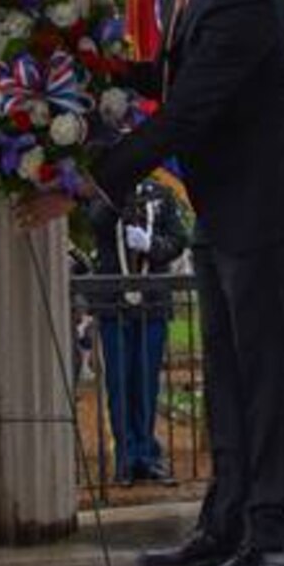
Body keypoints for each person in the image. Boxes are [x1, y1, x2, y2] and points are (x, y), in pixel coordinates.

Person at [18, 0, 284, 566]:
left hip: (265, 209)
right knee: (227, 373)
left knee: (268, 377)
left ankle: (275, 539)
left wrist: (83, 186)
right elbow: (172, 77)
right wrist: (98, 67)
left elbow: (188, 111)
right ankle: (226, 523)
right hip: (225, 209)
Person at [84, 178, 188, 486]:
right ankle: (126, 457)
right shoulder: (104, 191)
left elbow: (178, 239)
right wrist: (119, 195)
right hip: (114, 305)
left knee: (146, 382)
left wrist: (151, 245)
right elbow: (97, 221)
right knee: (119, 383)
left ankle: (148, 455)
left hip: (152, 305)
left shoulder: (162, 194)